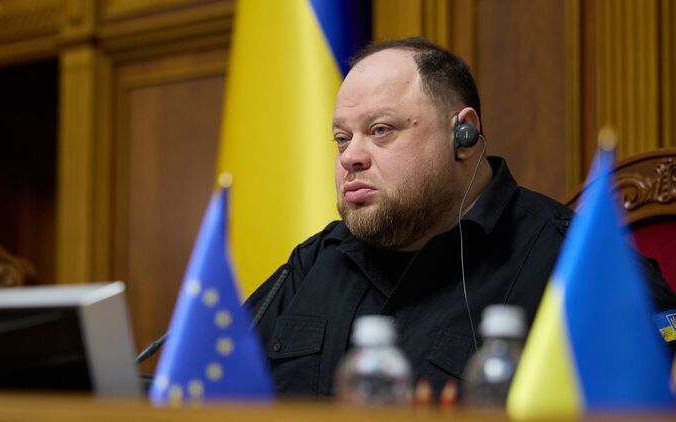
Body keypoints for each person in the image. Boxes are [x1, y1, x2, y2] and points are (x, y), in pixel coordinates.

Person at [245, 37, 676, 397]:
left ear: (462, 135)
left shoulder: (574, 262)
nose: (350, 157)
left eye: (380, 130)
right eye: (342, 138)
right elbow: (215, 380)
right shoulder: (316, 260)